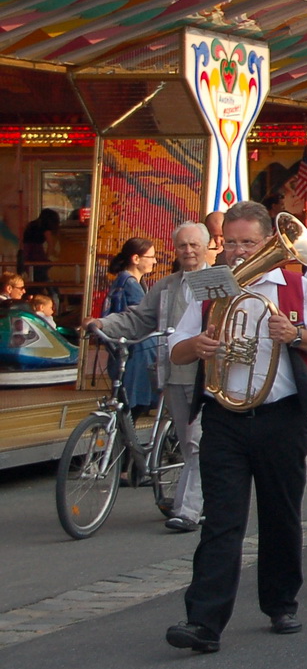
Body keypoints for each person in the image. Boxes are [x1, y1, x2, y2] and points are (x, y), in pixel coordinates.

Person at [164, 203, 307, 653]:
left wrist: (294, 335)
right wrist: (197, 344)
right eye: (231, 243)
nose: (239, 251)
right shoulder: (210, 285)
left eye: (249, 242)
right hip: (224, 416)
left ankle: (281, 604)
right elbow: (175, 349)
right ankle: (203, 622)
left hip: (281, 416)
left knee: (281, 515)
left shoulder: (295, 286)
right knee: (222, 522)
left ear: (267, 243)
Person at [87, 222, 211, 531]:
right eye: (182, 245)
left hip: (207, 375)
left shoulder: (216, 281)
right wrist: (103, 324)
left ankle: (188, 511)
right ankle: (194, 500)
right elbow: (139, 318)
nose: (188, 251)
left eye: (194, 245)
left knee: (199, 443)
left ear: (206, 247)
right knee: (188, 444)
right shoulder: (167, 286)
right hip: (173, 374)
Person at [99, 238, 160, 415]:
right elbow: (140, 319)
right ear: (136, 258)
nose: (155, 261)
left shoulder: (124, 280)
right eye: (151, 257)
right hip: (136, 350)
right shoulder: (131, 284)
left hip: (125, 347)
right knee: (135, 401)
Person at [19, 208, 59, 283]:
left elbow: (22, 240)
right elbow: (51, 244)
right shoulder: (45, 227)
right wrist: (47, 256)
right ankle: (51, 290)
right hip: (37, 252)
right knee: (42, 275)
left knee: (32, 275)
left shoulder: (31, 225)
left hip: (26, 251)